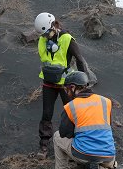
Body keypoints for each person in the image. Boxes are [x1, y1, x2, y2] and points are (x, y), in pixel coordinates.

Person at [34, 12, 88, 158]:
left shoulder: (67, 39)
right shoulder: (42, 40)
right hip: (48, 83)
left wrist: (83, 83)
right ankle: (44, 146)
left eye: (46, 34)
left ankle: (76, 144)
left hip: (66, 84)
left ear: (53, 25)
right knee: (46, 114)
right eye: (43, 35)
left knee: (72, 113)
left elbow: (80, 60)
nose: (45, 37)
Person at [53, 71, 116, 169]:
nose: (66, 93)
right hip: (108, 154)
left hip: (84, 154)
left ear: (72, 87)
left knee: (57, 137)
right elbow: (108, 125)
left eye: (66, 89)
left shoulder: (71, 106)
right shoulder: (105, 101)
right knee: (111, 159)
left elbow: (64, 133)